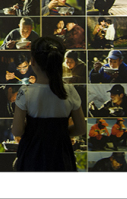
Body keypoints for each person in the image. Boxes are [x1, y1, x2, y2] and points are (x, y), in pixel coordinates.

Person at [11, 37, 86, 171]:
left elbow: (17, 130)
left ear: (33, 61)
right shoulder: (69, 90)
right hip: (61, 154)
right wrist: (59, 133)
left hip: (32, 155)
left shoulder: (25, 91)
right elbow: (81, 129)